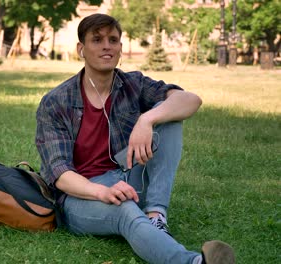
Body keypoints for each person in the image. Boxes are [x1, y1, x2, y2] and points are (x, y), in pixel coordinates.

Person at [35, 14, 235, 264]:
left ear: (120, 48)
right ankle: (193, 262)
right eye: (96, 40)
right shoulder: (56, 102)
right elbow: (60, 174)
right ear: (81, 49)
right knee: (125, 210)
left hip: (128, 175)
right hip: (81, 195)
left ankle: (156, 216)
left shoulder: (132, 84)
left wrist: (147, 119)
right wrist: (102, 192)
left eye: (113, 39)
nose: (106, 45)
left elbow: (190, 100)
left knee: (169, 117)